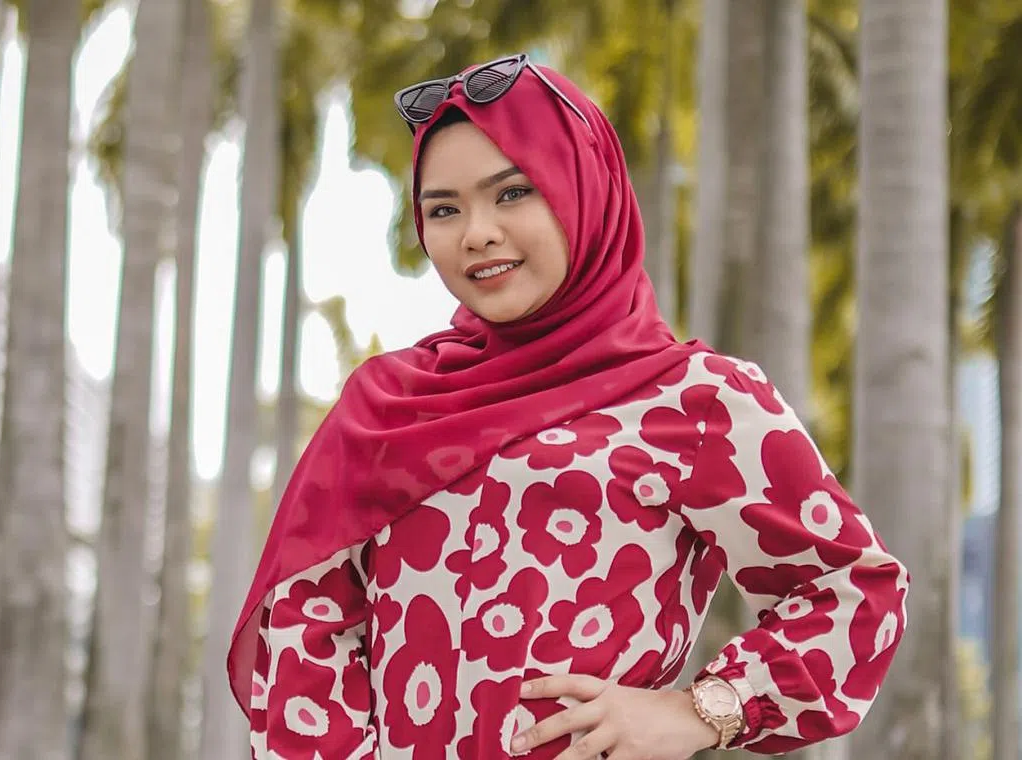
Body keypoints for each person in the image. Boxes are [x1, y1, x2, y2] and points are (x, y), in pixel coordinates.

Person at [228, 53, 908, 759]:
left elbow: (857, 589)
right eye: (444, 209)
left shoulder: (696, 400)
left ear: (585, 189)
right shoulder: (390, 406)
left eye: (513, 192)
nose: (476, 232)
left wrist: (704, 709)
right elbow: (306, 624)